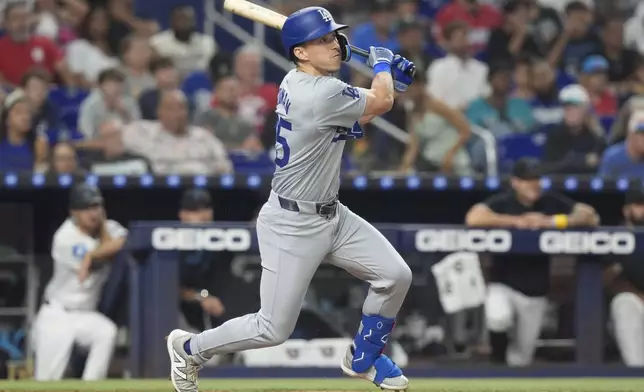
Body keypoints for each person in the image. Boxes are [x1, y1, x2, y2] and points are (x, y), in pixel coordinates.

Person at [166, 6, 415, 392]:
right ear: (300, 53)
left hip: (333, 214)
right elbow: (379, 103)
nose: (333, 45)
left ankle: (364, 356)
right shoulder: (318, 93)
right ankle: (188, 348)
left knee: (395, 275)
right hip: (292, 224)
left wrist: (380, 77)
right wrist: (381, 65)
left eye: (334, 37)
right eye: (322, 40)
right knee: (272, 328)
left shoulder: (300, 82)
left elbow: (362, 106)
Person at [465, 158, 599, 366]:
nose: (534, 184)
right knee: (497, 316)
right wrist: (517, 221)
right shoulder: (504, 201)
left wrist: (551, 221)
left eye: (537, 178)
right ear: (515, 182)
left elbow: (589, 216)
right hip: (504, 285)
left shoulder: (550, 202)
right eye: (528, 179)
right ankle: (496, 364)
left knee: (521, 359)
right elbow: (474, 217)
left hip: (536, 292)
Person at [32, 184, 126, 380]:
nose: (93, 213)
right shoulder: (65, 237)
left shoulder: (109, 227)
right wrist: (95, 253)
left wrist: (92, 254)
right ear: (73, 212)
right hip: (57, 315)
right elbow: (108, 252)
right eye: (86, 208)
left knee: (105, 332)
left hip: (85, 315)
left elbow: (127, 240)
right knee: (46, 383)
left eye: (96, 206)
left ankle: (90, 386)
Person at [605, 189, 644, 367]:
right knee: (624, 303)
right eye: (639, 205)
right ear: (626, 210)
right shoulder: (612, 237)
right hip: (634, 305)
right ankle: (636, 373)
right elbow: (602, 281)